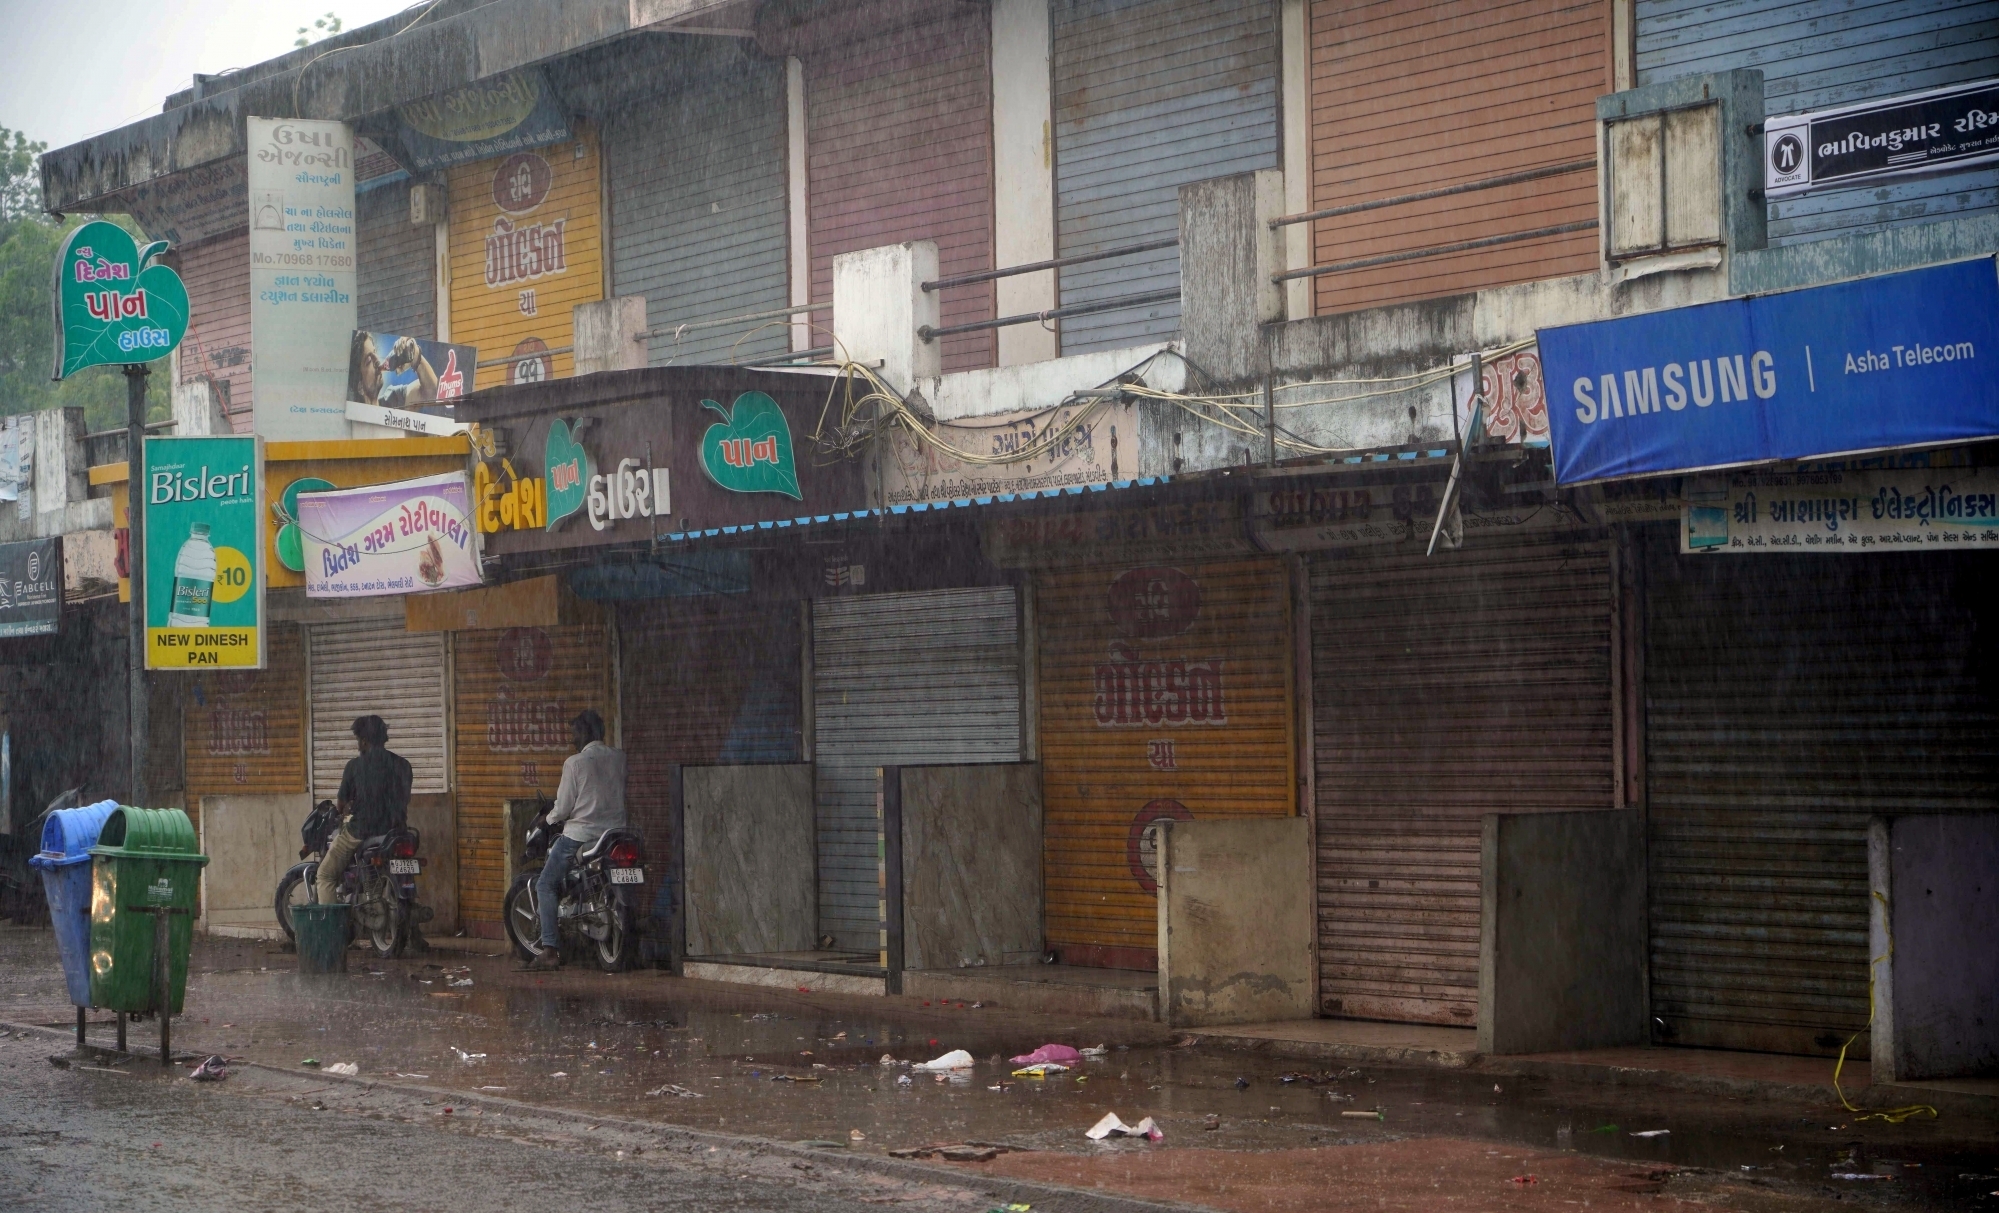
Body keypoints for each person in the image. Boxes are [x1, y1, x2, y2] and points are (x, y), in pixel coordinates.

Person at [527, 710, 626, 970]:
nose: (573, 739)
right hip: (615, 834)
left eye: (576, 733)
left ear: (587, 733)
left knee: (545, 885)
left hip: (581, 835)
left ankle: (549, 951)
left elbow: (563, 808)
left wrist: (545, 820)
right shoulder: (619, 758)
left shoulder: (575, 762)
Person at [315, 715, 414, 906]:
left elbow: (341, 805)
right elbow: (403, 798)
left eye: (358, 741)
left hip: (362, 831)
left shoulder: (354, 766)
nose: (358, 745)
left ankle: (332, 932)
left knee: (325, 875)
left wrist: (344, 809)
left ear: (365, 741)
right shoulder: (404, 765)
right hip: (395, 832)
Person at [348, 331, 440, 411]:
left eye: (375, 352)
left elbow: (434, 393)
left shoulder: (392, 399)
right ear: (360, 387)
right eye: (368, 361)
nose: (377, 360)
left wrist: (415, 355)